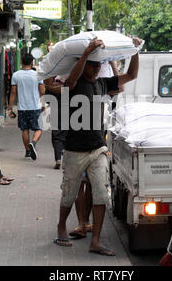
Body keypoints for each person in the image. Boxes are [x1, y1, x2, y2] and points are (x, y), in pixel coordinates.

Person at [54, 37, 142, 257]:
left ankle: (95, 241)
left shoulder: (101, 84)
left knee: (101, 195)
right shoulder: (72, 84)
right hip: (74, 149)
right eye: (91, 65)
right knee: (69, 193)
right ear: (83, 65)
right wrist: (86, 53)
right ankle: (61, 226)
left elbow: (131, 76)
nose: (94, 69)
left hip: (97, 148)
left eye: (97, 65)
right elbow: (72, 81)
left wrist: (135, 51)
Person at [8, 53, 45, 160]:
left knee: (25, 130)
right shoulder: (38, 75)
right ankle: (33, 143)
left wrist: (10, 108)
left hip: (22, 108)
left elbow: (13, 92)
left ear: (21, 63)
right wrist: (43, 104)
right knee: (39, 129)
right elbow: (42, 91)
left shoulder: (16, 75)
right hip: (35, 107)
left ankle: (28, 151)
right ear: (32, 62)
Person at [43, 76, 68, 169]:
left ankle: (58, 159)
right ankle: (66, 158)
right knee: (67, 134)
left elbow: (47, 97)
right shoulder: (72, 82)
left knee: (56, 135)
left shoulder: (52, 84)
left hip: (56, 110)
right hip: (70, 110)